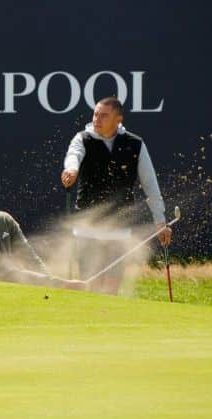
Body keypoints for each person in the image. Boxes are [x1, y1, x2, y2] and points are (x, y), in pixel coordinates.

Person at [60, 96, 172, 293]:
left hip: (120, 227)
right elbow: (73, 156)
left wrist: (160, 222)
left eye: (104, 116)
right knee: (91, 285)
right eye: (95, 114)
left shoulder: (135, 144)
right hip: (88, 227)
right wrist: (72, 170)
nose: (97, 119)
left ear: (118, 119)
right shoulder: (82, 139)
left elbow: (150, 185)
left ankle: (107, 321)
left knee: (112, 286)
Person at [0, 182, 86, 290]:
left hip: (22, 291)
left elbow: (29, 257)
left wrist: (50, 285)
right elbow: (7, 276)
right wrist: (61, 284)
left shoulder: (3, 220)